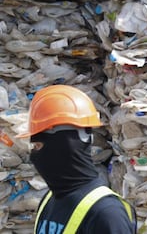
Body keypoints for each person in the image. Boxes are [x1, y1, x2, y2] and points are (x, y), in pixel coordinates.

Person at [16, 84, 137, 234]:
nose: (34, 156)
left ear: (64, 146)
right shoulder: (50, 200)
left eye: (38, 146)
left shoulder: (106, 213)